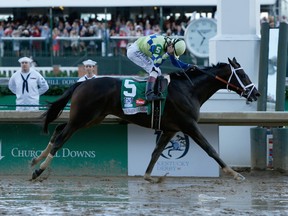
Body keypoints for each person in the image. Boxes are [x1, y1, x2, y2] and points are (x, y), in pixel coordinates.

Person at [127, 34, 191, 101]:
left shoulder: (170, 44)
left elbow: (174, 62)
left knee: (158, 73)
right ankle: (149, 95)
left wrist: (188, 66)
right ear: (171, 46)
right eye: (172, 53)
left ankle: (155, 92)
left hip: (142, 49)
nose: (172, 54)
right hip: (135, 51)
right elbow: (156, 63)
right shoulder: (159, 46)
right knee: (154, 70)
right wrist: (168, 54)